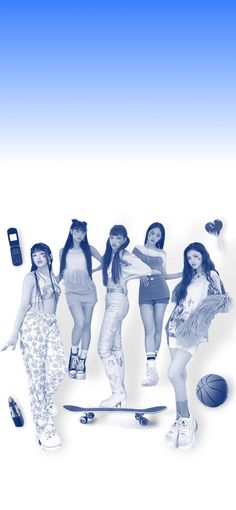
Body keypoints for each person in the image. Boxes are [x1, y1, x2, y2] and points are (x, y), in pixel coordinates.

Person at [165, 242, 231, 450]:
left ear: (203, 255)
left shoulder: (211, 275)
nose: (192, 261)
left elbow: (223, 303)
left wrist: (218, 284)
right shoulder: (189, 278)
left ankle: (187, 420)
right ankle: (180, 421)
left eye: (195, 256)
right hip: (174, 326)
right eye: (189, 258)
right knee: (180, 375)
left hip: (191, 330)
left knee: (173, 373)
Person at [1, 243, 66, 451]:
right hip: (33, 325)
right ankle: (45, 432)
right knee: (36, 380)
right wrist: (13, 335)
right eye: (34, 255)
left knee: (58, 368)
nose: (38, 258)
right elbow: (23, 305)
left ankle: (45, 400)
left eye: (41, 254)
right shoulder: (31, 278)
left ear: (48, 256)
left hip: (51, 324)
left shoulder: (54, 278)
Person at [97, 224, 161, 408]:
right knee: (115, 348)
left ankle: (117, 392)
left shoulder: (125, 255)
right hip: (110, 299)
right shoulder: (111, 256)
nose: (115, 241)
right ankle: (122, 395)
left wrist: (129, 277)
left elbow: (148, 270)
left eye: (119, 238)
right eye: (112, 237)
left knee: (103, 349)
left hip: (118, 300)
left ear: (125, 240)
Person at [133, 222, 182, 386]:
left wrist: (182, 273)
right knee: (149, 328)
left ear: (161, 238)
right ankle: (151, 367)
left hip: (161, 291)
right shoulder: (137, 249)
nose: (154, 237)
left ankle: (151, 369)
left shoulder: (162, 253)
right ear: (147, 232)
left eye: (158, 236)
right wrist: (140, 274)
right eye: (152, 233)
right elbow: (130, 269)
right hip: (145, 294)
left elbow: (164, 275)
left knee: (158, 326)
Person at [59, 219, 102, 379]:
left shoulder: (89, 249)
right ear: (71, 231)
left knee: (87, 325)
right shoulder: (63, 251)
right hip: (72, 292)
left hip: (89, 291)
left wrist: (94, 270)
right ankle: (74, 355)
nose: (79, 234)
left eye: (82, 232)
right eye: (76, 231)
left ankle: (82, 361)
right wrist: (50, 285)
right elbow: (62, 273)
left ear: (85, 234)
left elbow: (106, 261)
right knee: (80, 322)